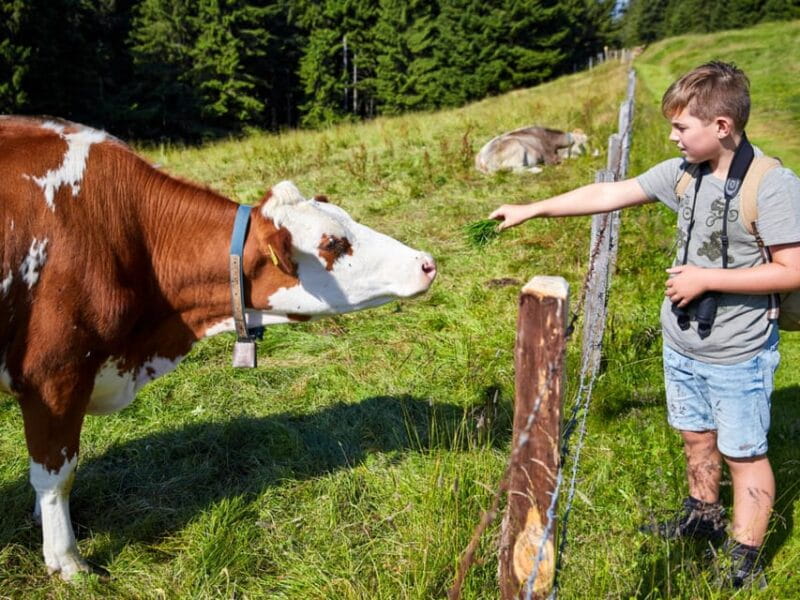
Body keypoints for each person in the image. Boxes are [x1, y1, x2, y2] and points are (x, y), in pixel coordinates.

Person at [489, 61, 800, 590]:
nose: (673, 135)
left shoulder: (771, 187)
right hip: (682, 341)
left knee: (745, 454)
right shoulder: (683, 173)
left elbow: (793, 269)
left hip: (738, 350)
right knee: (696, 438)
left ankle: (743, 555)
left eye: (681, 126)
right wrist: (533, 208)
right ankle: (702, 514)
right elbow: (608, 194)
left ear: (721, 127)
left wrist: (705, 279)